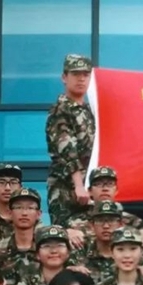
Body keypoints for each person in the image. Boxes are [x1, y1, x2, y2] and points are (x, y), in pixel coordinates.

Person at [45, 54, 94, 226]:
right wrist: (78, 185)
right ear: (64, 77)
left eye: (85, 74)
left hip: (89, 188)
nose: (81, 79)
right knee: (65, 236)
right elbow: (67, 149)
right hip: (65, 189)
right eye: (75, 74)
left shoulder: (90, 111)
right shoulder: (61, 109)